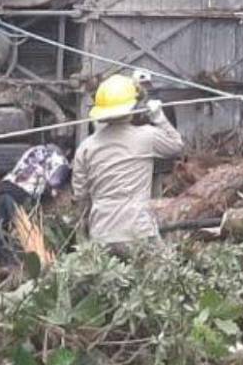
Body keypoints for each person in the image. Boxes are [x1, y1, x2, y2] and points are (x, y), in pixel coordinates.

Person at [70, 72, 184, 248]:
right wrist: (159, 118)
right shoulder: (146, 136)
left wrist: (83, 233)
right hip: (138, 232)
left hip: (101, 234)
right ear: (132, 107)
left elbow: (80, 196)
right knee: (167, 269)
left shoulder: (85, 147)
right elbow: (176, 145)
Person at [0, 142, 71, 266]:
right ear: (67, 152)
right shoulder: (60, 160)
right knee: (25, 234)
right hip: (22, 194)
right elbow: (55, 182)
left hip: (4, 187)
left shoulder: (35, 149)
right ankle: (20, 267)